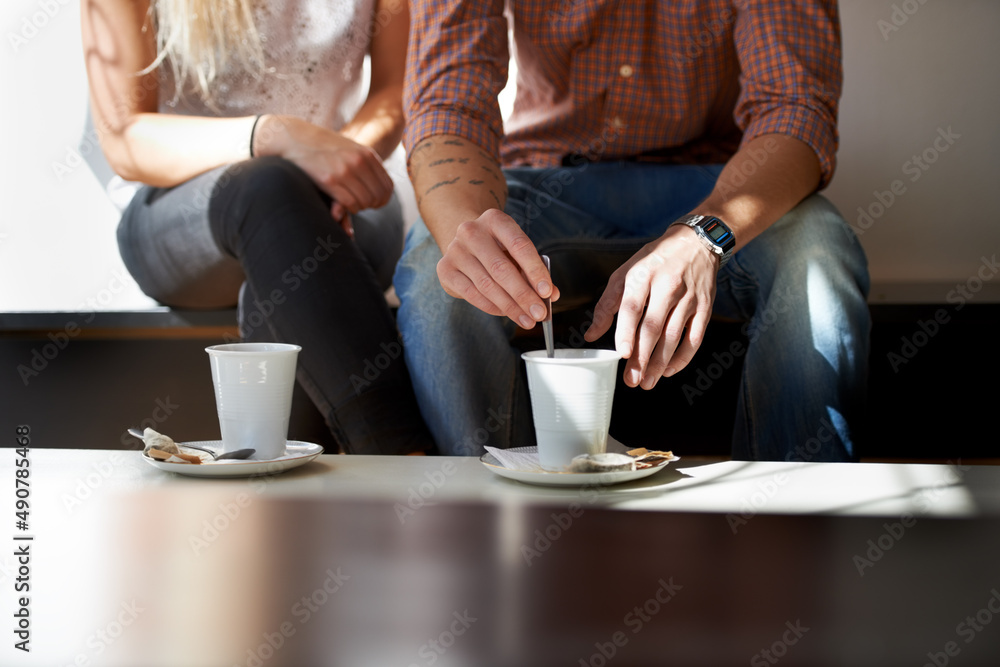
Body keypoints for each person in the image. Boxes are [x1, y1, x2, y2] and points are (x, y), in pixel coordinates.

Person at [395, 0, 871, 461]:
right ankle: (487, 513)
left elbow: (795, 107)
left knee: (817, 250)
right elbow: (446, 100)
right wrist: (467, 231)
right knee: (435, 265)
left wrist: (702, 236)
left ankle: (791, 523)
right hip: (548, 180)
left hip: (713, 182)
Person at [81, 0, 435, 455]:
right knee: (271, 186)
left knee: (283, 261)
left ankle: (283, 498)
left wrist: (333, 166)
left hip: (338, 199)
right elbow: (124, 137)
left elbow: (395, 89)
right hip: (183, 217)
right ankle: (400, 457)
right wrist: (271, 136)